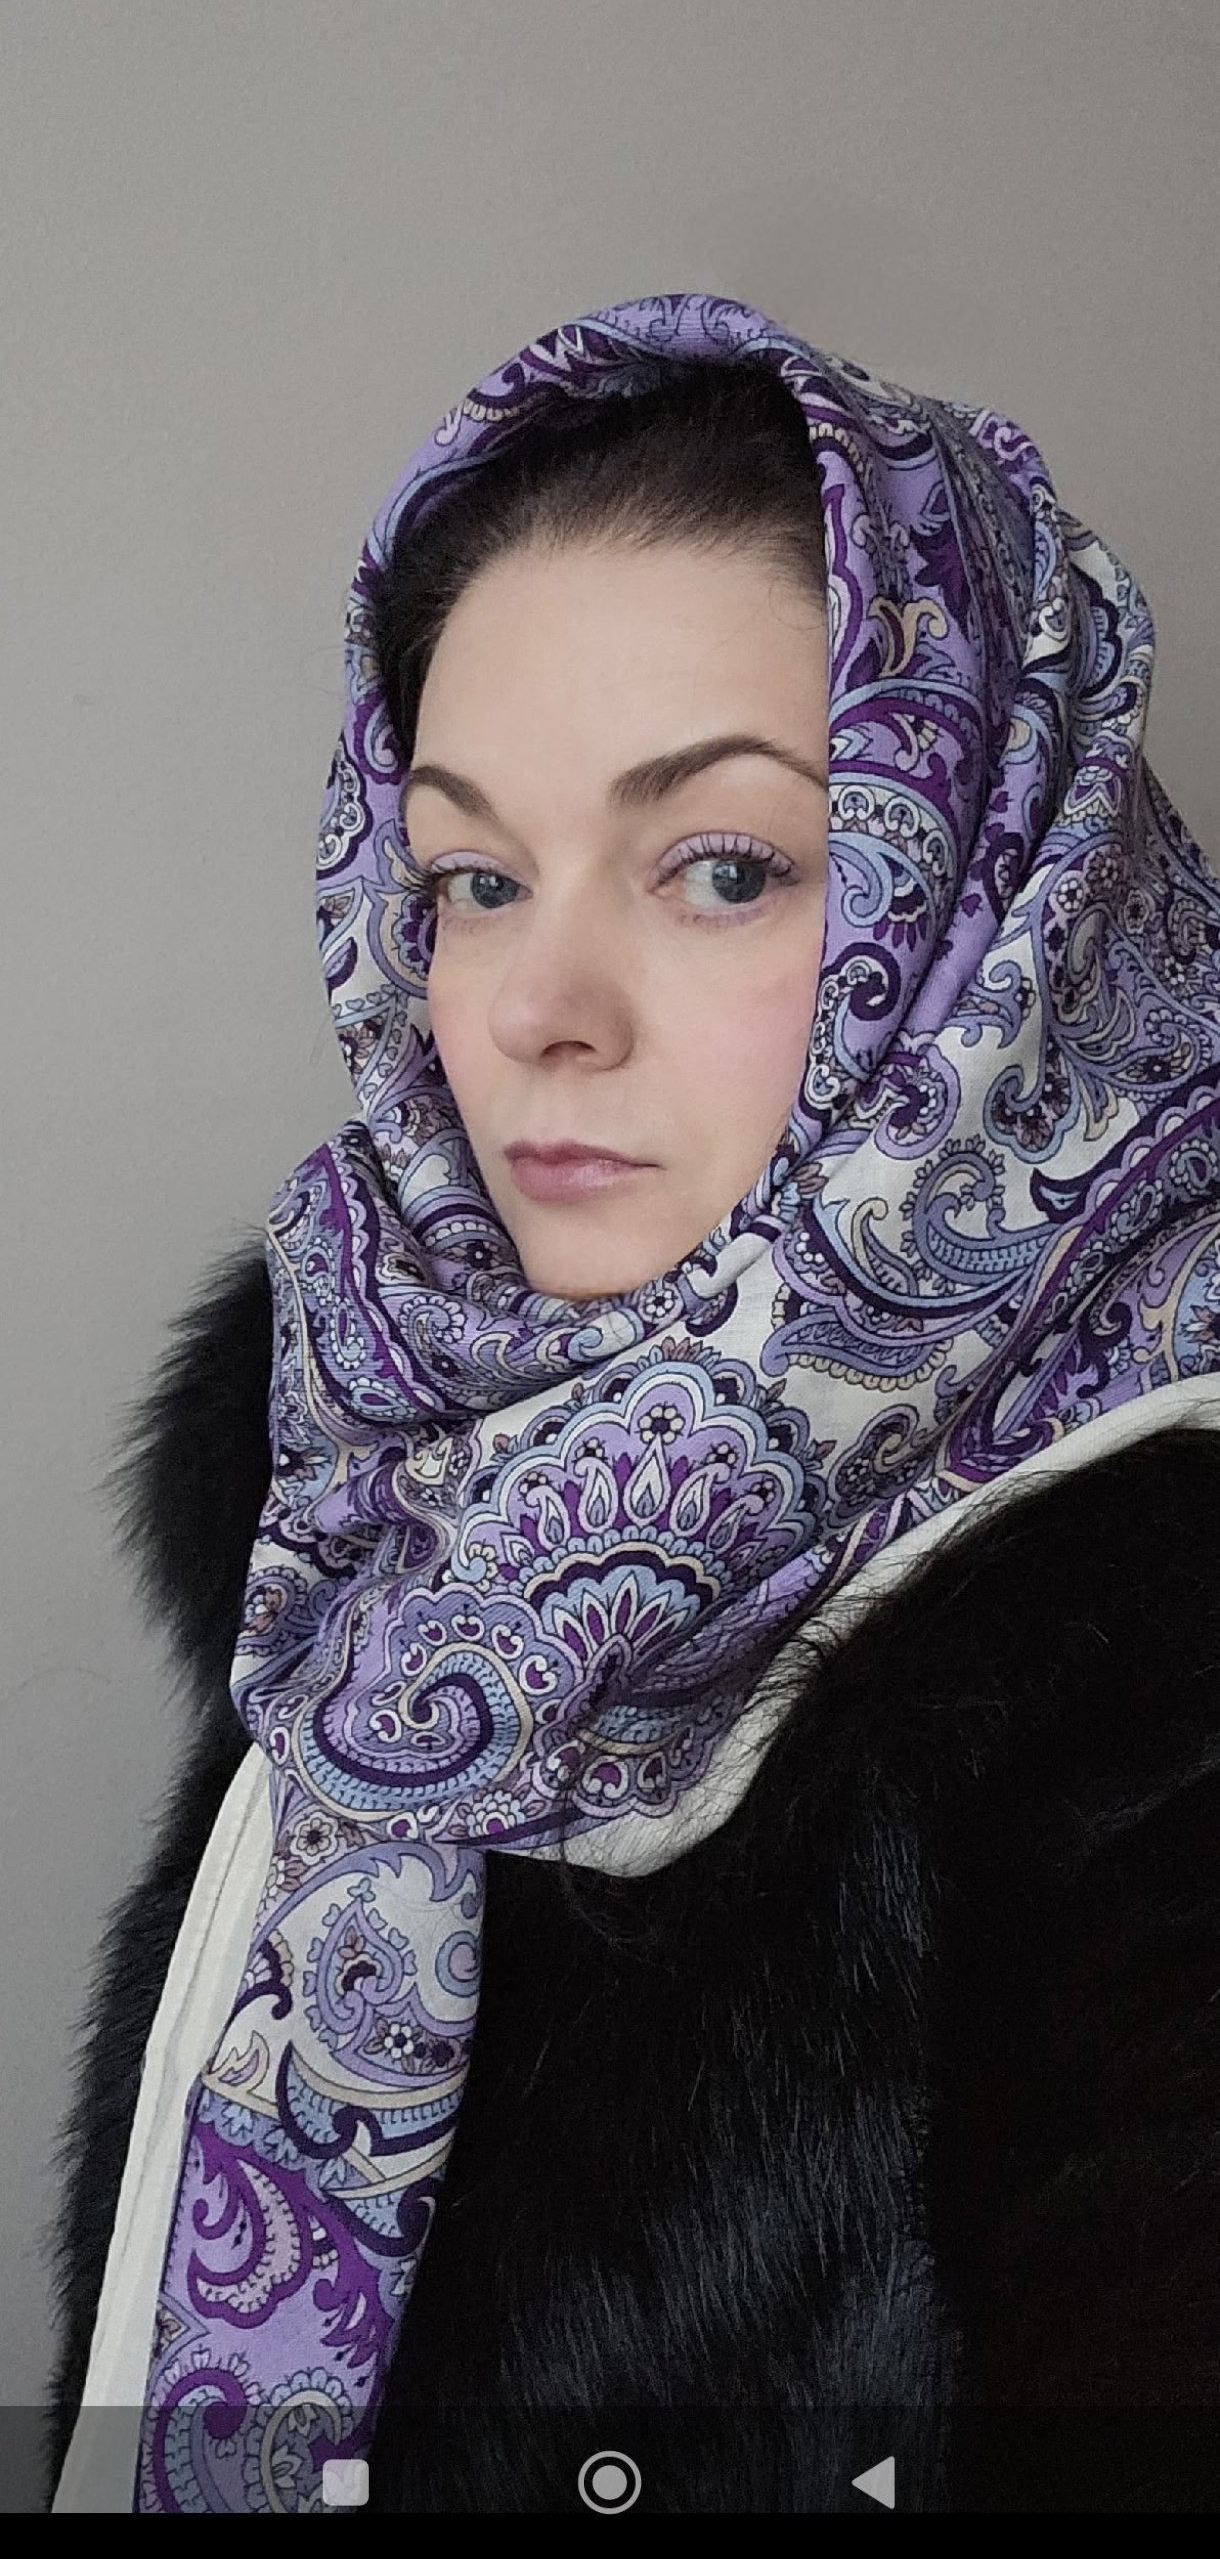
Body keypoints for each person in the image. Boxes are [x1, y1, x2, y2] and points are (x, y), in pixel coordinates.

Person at [45, 296, 1220, 2516]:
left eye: (723, 866)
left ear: (1011, 903)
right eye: (474, 878)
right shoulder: (382, 1461)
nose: (537, 1009)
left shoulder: (1155, 1657)